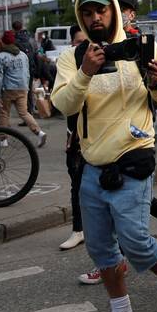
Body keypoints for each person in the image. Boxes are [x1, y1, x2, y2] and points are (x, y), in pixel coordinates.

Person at [51, 0, 157, 312]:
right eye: (87, 12)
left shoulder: (143, 47)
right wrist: (84, 71)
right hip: (92, 166)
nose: (94, 17)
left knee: (135, 241)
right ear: (80, 17)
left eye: (101, 10)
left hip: (133, 160)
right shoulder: (73, 58)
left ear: (114, 11)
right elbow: (63, 106)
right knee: (100, 247)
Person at [60, 25, 88, 253]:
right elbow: (64, 102)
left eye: (84, 43)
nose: (81, 48)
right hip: (75, 140)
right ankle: (78, 230)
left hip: (100, 142)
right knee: (76, 185)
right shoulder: (68, 65)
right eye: (77, 43)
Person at [0, 31, 46, 148]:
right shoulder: (22, 55)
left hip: (8, 89)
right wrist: (27, 88)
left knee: (4, 113)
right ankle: (39, 132)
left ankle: (3, 140)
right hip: (22, 87)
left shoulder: (0, 56)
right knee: (24, 113)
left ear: (3, 42)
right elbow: (27, 72)